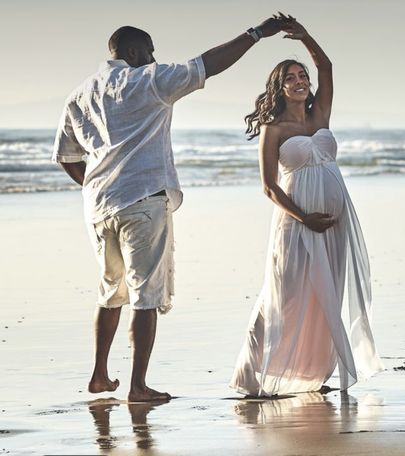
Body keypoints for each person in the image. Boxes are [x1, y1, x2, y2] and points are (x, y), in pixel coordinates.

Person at [52, 16, 292, 402]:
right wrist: (256, 34)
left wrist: (98, 186)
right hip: (144, 199)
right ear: (133, 52)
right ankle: (138, 386)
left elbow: (66, 156)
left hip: (98, 206)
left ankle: (99, 375)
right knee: (146, 295)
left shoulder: (79, 95)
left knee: (111, 291)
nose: (153, 57)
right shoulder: (149, 79)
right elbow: (207, 64)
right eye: (149, 51)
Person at [230, 16, 384, 397]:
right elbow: (268, 187)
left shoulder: (320, 116)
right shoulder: (274, 128)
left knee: (326, 293)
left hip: (334, 221)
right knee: (283, 295)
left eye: (303, 76)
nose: (301, 81)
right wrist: (304, 218)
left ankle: (315, 372)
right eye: (292, 78)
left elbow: (327, 66)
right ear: (279, 88)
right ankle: (252, 376)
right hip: (296, 224)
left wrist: (306, 36)